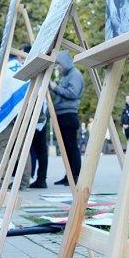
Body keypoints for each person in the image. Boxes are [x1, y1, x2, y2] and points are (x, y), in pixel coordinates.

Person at [50, 51, 84, 186]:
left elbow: (73, 93)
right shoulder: (67, 76)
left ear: (64, 62)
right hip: (62, 114)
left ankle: (75, 175)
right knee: (65, 148)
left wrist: (55, 88)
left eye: (58, 64)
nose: (58, 67)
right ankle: (68, 175)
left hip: (69, 114)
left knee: (71, 146)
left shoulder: (75, 75)